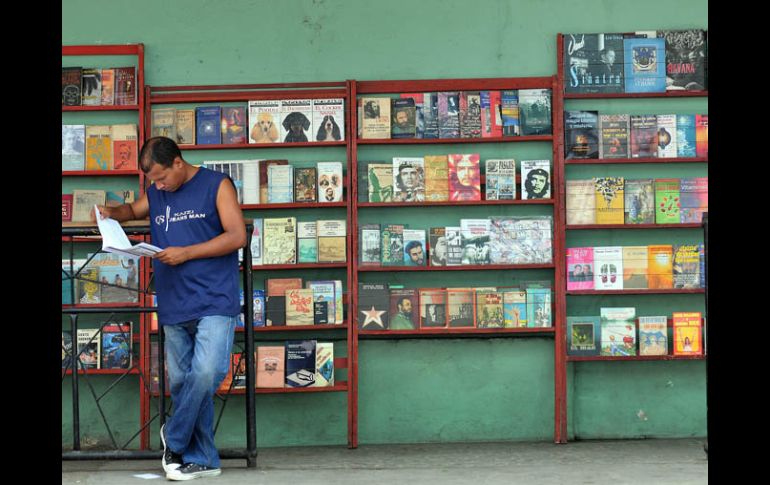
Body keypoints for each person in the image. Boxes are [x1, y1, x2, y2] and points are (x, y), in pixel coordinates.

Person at [92, 136, 246, 481]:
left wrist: (186, 252)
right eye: (153, 181)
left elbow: (237, 236)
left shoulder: (216, 185)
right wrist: (111, 214)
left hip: (213, 298)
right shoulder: (159, 192)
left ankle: (173, 435)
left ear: (179, 162)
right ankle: (203, 457)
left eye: (161, 178)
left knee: (207, 372)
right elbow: (133, 210)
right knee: (182, 383)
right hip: (174, 300)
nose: (158, 186)